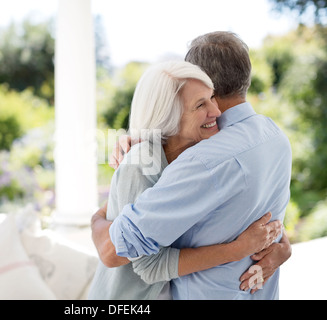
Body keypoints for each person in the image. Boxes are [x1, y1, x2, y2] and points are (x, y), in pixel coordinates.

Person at [93, 31, 292, 300]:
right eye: (200, 103)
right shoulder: (275, 136)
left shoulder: (203, 158)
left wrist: (281, 243)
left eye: (209, 98)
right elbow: (115, 251)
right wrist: (98, 217)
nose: (215, 111)